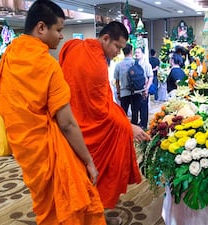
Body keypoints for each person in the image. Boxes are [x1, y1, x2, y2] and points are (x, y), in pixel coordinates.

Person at [0, 1, 106, 225]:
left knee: (48, 206)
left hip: (25, 150)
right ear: (41, 27)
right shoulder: (47, 65)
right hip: (49, 149)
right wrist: (89, 161)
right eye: (59, 30)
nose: (61, 36)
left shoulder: (9, 56)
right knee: (74, 202)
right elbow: (67, 124)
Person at [59, 21, 150, 209]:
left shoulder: (72, 45)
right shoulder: (97, 65)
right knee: (97, 174)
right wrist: (128, 126)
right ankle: (91, 212)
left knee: (77, 176)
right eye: (117, 47)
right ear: (106, 38)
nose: (118, 52)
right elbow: (101, 109)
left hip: (68, 121)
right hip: (85, 127)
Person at [114, 43, 142, 121]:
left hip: (124, 92)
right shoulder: (137, 63)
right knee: (135, 113)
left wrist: (118, 93)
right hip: (136, 91)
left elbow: (117, 81)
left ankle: (125, 130)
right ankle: (135, 129)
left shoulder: (118, 65)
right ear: (131, 51)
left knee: (124, 114)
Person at [134, 47, 153, 130]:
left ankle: (144, 125)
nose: (137, 54)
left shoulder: (146, 65)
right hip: (134, 90)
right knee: (135, 108)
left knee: (144, 108)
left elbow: (150, 77)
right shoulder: (133, 64)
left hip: (143, 90)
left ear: (142, 54)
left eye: (138, 52)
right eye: (136, 52)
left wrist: (147, 88)